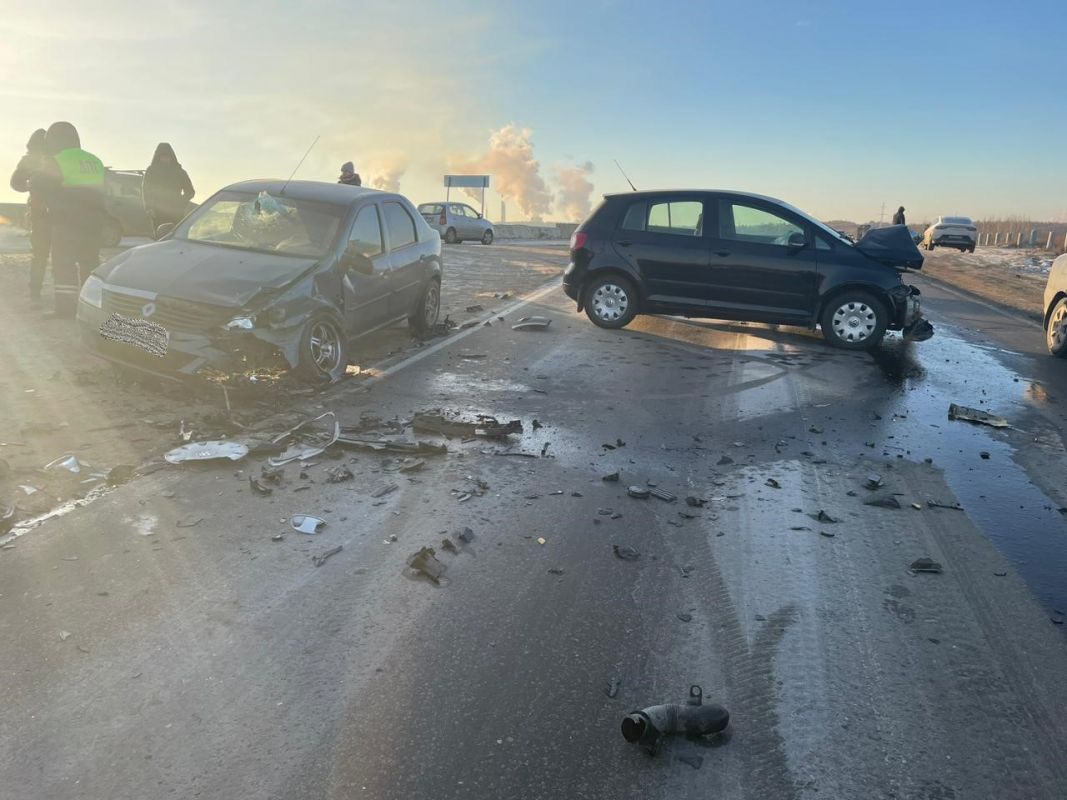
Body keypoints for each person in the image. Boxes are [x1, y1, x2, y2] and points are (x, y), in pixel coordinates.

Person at [34, 121, 106, 318]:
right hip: (94, 221)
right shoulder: (94, 160)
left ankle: (66, 310)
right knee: (90, 263)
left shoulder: (56, 160)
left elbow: (39, 185)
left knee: (64, 265)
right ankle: (90, 308)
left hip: (67, 221)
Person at [9, 129, 51, 302]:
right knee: (62, 254)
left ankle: (35, 293)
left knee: (39, 255)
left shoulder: (28, 160)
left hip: (38, 212)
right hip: (58, 211)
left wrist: (30, 186)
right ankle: (63, 294)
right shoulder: (56, 158)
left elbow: (15, 183)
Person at [142, 142, 195, 235]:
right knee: (160, 240)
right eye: (162, 156)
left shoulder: (179, 172)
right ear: (157, 157)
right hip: (158, 213)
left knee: (176, 239)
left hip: (176, 213)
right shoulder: (152, 171)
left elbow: (190, 192)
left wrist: (181, 203)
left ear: (172, 156)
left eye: (167, 156)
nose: (165, 158)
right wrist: (149, 208)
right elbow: (146, 191)